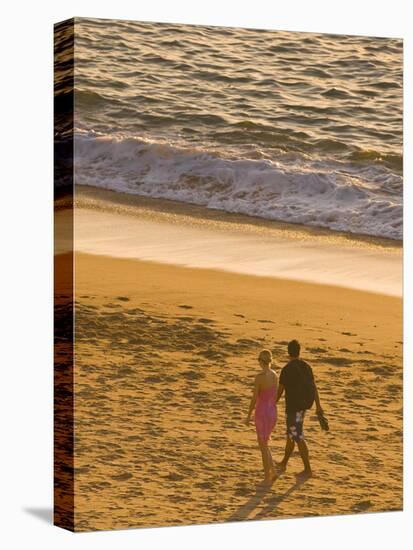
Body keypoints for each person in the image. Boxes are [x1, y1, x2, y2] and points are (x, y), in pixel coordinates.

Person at [276, 339, 323, 478]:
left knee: (297, 436)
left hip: (292, 408)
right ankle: (284, 462)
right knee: (291, 434)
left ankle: (308, 469)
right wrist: (318, 406)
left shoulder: (287, 369)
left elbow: (279, 392)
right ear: (299, 351)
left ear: (288, 352)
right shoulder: (306, 367)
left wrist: (270, 405)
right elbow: (314, 387)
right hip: (303, 406)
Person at [245, 349, 278, 483]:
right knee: (265, 443)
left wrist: (248, 415)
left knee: (262, 445)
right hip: (272, 411)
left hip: (262, 411)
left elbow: (254, 398)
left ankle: (267, 476)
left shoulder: (259, 377)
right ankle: (273, 470)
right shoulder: (274, 375)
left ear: (260, 361)